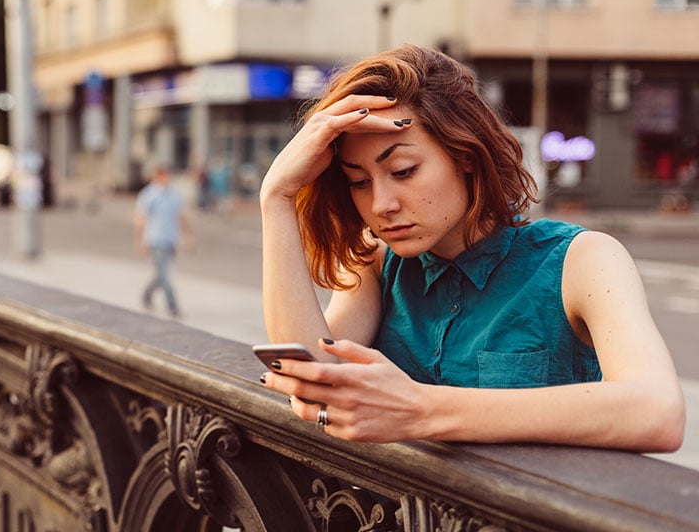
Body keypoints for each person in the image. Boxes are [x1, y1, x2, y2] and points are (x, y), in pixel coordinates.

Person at [258, 44, 685, 453]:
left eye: (403, 171)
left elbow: (657, 412)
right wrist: (276, 197)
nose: (381, 204)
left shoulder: (583, 261)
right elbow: (316, 386)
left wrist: (422, 410)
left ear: (464, 154)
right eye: (359, 182)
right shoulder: (377, 262)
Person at [135, 164, 190, 317]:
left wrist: (187, 237)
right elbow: (141, 219)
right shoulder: (149, 195)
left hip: (170, 239)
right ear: (157, 177)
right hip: (155, 239)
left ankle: (147, 294)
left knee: (160, 275)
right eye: (164, 175)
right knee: (165, 275)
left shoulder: (174, 195)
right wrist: (139, 240)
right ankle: (173, 306)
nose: (167, 179)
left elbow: (181, 217)